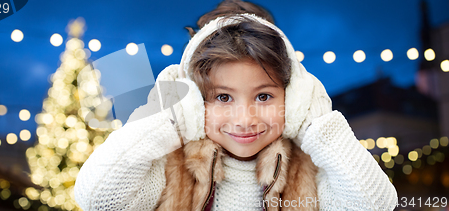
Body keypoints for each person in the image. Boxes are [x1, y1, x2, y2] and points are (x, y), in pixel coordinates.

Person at [74, 0, 398, 210]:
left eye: (264, 96)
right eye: (223, 97)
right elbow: (98, 198)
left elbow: (375, 204)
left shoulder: (312, 171)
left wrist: (316, 122)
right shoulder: (170, 166)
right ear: (193, 102)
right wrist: (167, 115)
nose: (245, 119)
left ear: (295, 97)